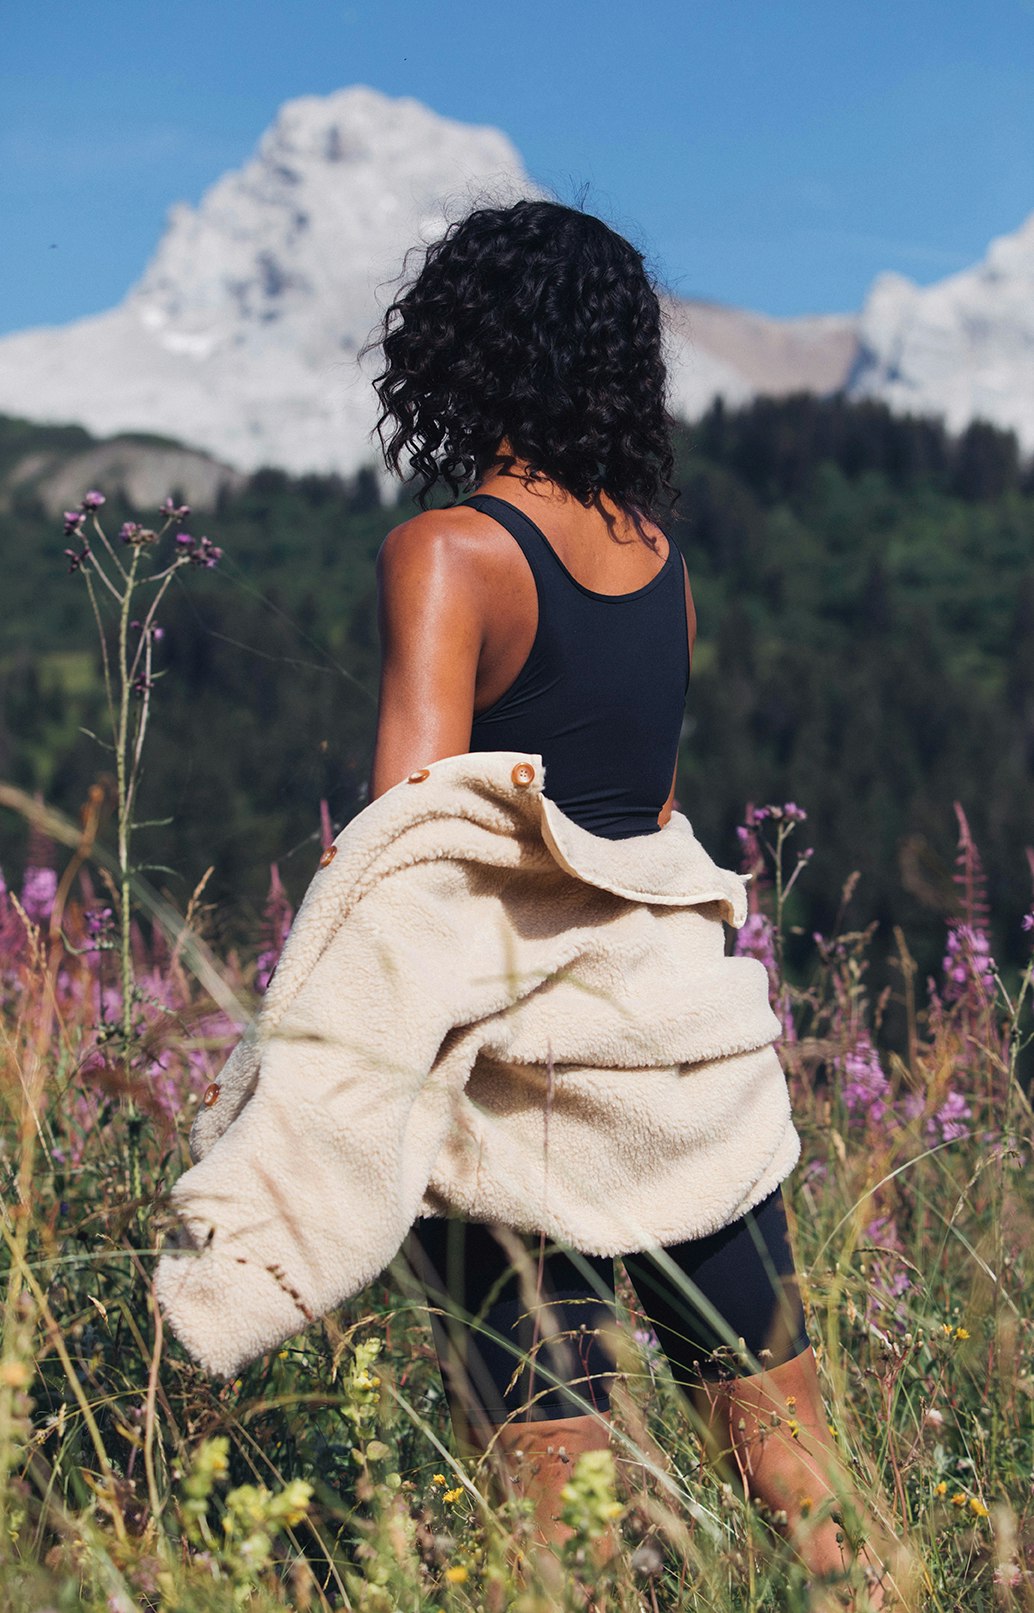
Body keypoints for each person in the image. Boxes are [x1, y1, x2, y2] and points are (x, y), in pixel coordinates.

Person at [362, 199, 909, 1611]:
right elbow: (644, 815)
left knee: (568, 1519)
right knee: (797, 1481)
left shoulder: (450, 553)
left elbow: (409, 839)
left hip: (524, 1083)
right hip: (681, 1060)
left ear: (459, 353)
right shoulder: (657, 558)